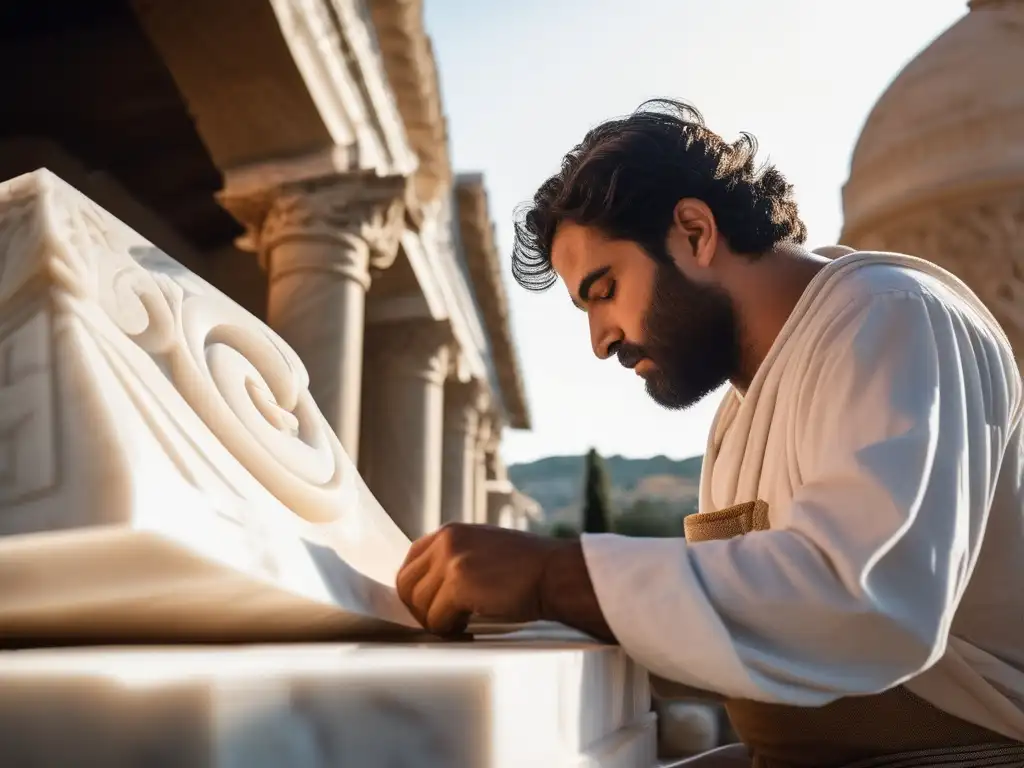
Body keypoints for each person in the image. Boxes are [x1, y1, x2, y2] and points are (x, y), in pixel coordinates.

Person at [395, 99, 1024, 766]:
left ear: (694, 232)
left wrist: (551, 575)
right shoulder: (739, 411)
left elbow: (861, 604)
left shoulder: (894, 315)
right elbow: (733, 631)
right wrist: (521, 609)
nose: (599, 341)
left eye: (603, 290)